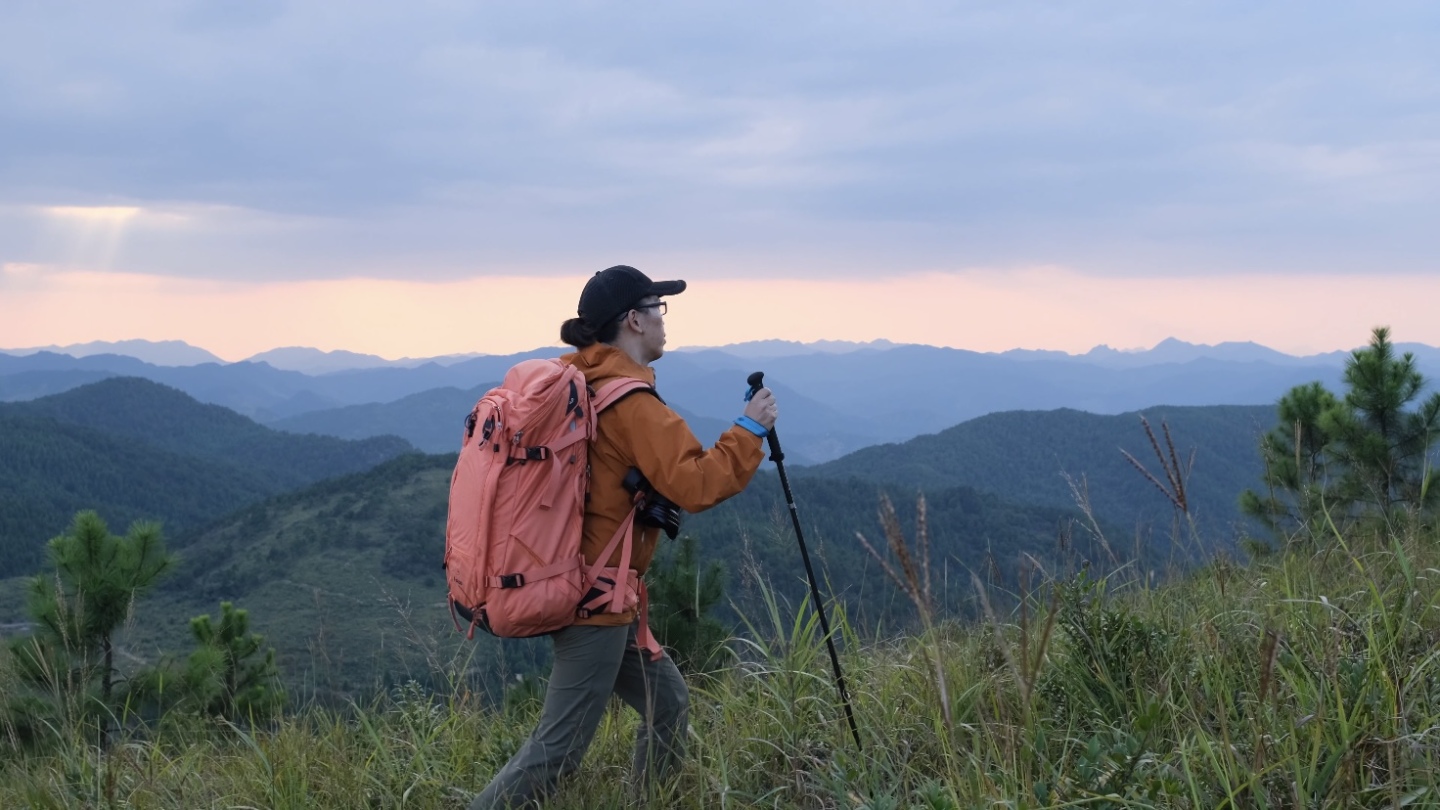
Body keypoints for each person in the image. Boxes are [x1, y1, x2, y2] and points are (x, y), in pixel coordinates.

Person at [470, 264, 779, 809]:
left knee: (669, 704)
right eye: (658, 309)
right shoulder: (632, 404)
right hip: (595, 604)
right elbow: (698, 483)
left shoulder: (579, 381)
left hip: (592, 588)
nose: (664, 321)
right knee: (557, 751)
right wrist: (749, 429)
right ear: (633, 321)